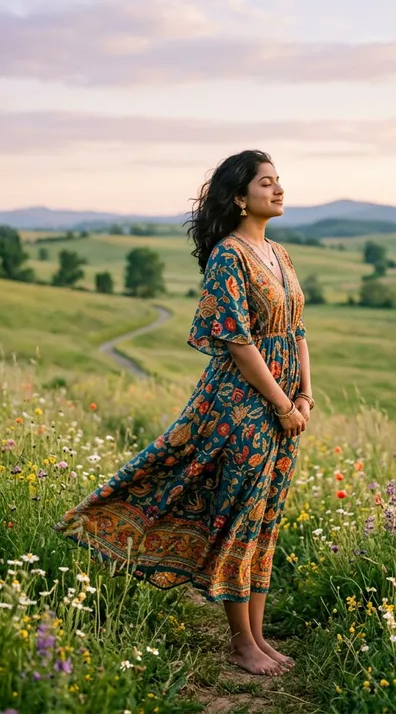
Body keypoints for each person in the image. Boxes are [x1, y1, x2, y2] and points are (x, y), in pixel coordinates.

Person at [52, 149, 314, 677]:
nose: (279, 190)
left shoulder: (279, 255)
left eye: (278, 181)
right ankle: (241, 642)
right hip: (241, 406)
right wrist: (282, 403)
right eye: (267, 183)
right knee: (238, 516)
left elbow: (297, 331)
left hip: (285, 408)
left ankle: (259, 637)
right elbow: (236, 340)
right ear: (240, 198)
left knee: (264, 520)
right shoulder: (229, 256)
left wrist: (306, 395)